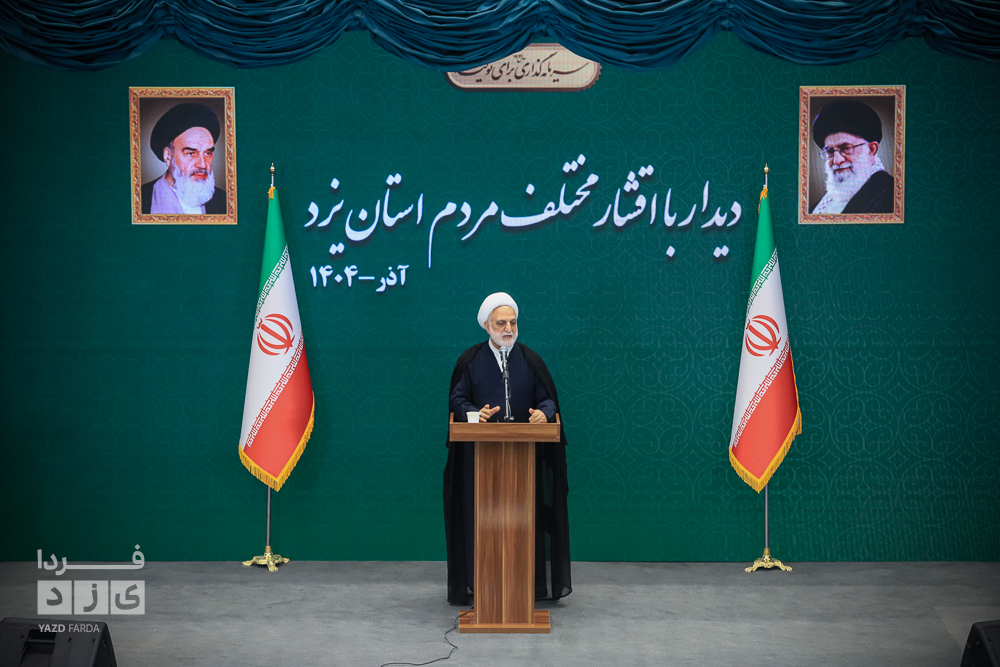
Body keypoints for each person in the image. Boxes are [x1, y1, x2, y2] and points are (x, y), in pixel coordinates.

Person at [443, 292, 572, 606]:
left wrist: (544, 412)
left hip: (523, 457)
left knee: (523, 520)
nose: (508, 329)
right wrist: (475, 414)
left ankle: (524, 586)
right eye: (501, 323)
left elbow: (547, 398)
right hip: (479, 459)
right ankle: (482, 585)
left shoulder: (530, 360)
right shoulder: (470, 361)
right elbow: (457, 400)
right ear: (487, 326)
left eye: (513, 323)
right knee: (481, 520)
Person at [141, 102, 226, 215]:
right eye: (191, 154)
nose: (202, 164)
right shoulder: (140, 199)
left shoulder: (224, 201)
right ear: (168, 156)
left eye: (208, 153)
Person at [811, 99, 894, 214]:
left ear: (871, 149)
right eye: (830, 151)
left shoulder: (892, 196)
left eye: (846, 148)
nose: (837, 160)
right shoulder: (817, 208)